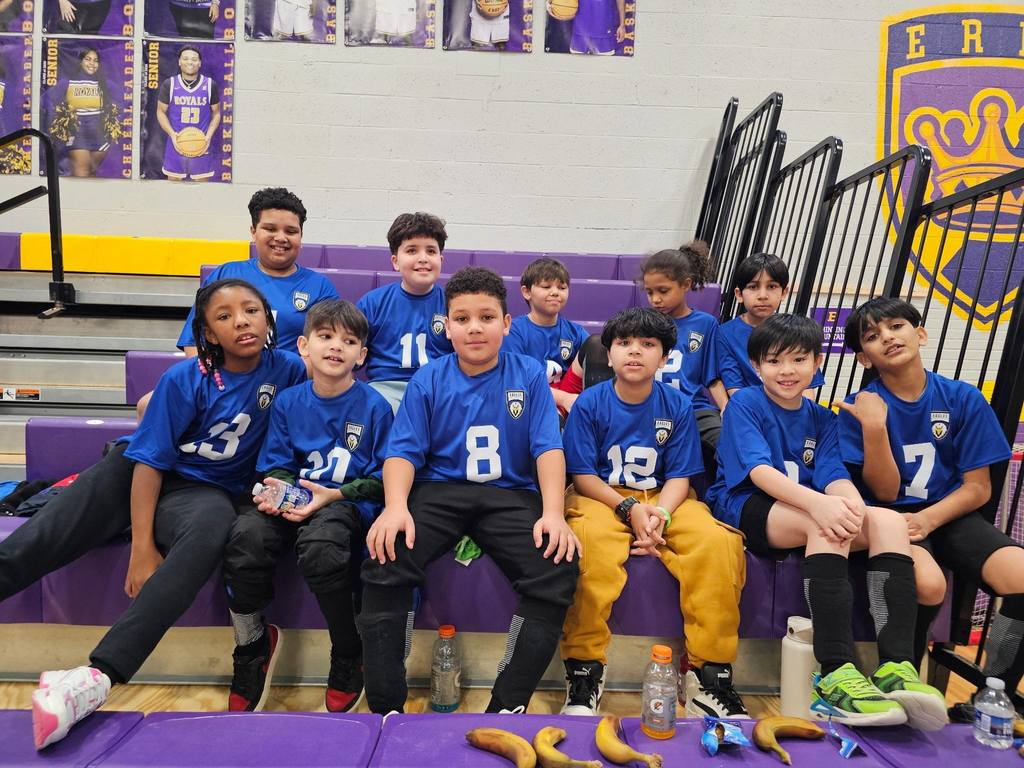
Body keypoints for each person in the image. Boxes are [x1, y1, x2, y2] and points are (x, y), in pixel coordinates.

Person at [1, 279, 306, 749]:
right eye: (224, 316)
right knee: (44, 535)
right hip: (137, 473)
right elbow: (148, 465)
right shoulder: (185, 379)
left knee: (211, 529)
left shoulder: (289, 370)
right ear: (206, 333)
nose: (240, 321)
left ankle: (94, 679)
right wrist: (142, 548)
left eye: (250, 310)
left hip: (203, 492)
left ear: (269, 317)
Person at [707, 313, 947, 730]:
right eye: (774, 361)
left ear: (817, 364)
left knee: (888, 521)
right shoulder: (745, 403)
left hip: (807, 506)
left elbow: (835, 476)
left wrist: (852, 508)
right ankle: (836, 670)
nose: (787, 371)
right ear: (756, 365)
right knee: (825, 526)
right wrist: (822, 508)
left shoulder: (822, 417)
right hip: (747, 505)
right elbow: (761, 474)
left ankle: (896, 665)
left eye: (798, 360)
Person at [356, 266, 579, 715]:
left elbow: (547, 447)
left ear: (506, 323)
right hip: (440, 490)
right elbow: (402, 452)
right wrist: (396, 506)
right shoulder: (429, 377)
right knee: (386, 554)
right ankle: (386, 707)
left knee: (557, 566)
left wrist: (553, 513)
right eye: (461, 318)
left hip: (511, 494)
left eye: (486, 317)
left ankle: (507, 705)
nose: (474, 327)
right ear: (447, 325)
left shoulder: (530, 374)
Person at [837, 297, 1024, 718]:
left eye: (896, 326)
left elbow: (978, 489)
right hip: (892, 520)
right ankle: (903, 678)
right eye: (872, 336)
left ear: (919, 334)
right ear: (864, 358)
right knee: (928, 583)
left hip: (951, 516)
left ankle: (995, 696)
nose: (887, 337)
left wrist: (930, 518)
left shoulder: (963, 398)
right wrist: (874, 426)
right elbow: (883, 494)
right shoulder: (860, 405)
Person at [559, 307, 748, 719]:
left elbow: (681, 476)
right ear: (607, 355)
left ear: (664, 358)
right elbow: (583, 475)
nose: (634, 352)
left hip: (664, 496)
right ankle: (584, 669)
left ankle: (709, 675)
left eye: (648, 345)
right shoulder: (590, 403)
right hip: (603, 496)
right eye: (624, 343)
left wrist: (659, 513)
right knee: (588, 545)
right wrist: (628, 509)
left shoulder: (678, 405)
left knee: (718, 542)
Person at [223, 300, 393, 713]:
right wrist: (281, 494)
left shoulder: (375, 407)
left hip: (346, 503)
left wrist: (336, 495)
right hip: (297, 502)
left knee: (322, 548)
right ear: (304, 345)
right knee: (245, 538)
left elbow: (386, 478)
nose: (336, 347)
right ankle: (252, 646)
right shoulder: (288, 402)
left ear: (362, 355)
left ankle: (348, 650)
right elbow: (276, 466)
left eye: (349, 341)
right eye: (326, 336)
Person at [176, 188, 338, 358]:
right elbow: (194, 343)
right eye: (270, 229)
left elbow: (329, 351)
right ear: (253, 232)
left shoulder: (320, 287)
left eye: (291, 231)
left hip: (291, 381)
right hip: (227, 381)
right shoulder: (225, 275)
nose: (281, 238)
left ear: (301, 236)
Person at [356, 212, 454, 413]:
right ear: (395, 261)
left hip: (438, 388)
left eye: (431, 251)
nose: (423, 259)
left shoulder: (453, 304)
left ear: (441, 259)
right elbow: (352, 355)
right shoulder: (373, 303)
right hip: (385, 389)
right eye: (411, 250)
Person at [641, 243, 726, 472]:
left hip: (694, 408)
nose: (655, 299)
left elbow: (712, 378)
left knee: (729, 444)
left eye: (663, 291)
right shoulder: (643, 323)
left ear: (686, 284)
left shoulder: (705, 324)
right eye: (649, 292)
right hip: (649, 407)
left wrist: (728, 410)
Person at [716, 253, 824, 397]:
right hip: (750, 410)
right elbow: (735, 387)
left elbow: (807, 388)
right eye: (753, 287)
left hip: (792, 410)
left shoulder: (796, 331)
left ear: (784, 292)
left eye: (771, 286)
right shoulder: (725, 333)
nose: (762, 295)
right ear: (739, 294)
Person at [503, 258, 588, 415]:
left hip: (569, 393)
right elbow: (517, 381)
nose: (555, 292)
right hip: (533, 397)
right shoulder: (514, 331)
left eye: (562, 287)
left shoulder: (575, 332)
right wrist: (563, 399)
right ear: (526, 292)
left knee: (596, 345)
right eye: (546, 286)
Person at [50, 48, 119, 178]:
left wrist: (111, 117)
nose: (92, 63)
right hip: (77, 132)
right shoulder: (68, 82)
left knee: (92, 171)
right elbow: (47, 100)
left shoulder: (104, 84)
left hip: (99, 133)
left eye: (96, 60)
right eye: (87, 59)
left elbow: (124, 99)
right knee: (81, 172)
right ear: (80, 62)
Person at [156, 46, 220, 182]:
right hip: (177, 143)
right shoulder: (170, 84)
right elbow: (160, 112)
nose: (189, 62)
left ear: (200, 63)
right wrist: (172, 134)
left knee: (202, 191)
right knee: (172, 190)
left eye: (194, 59)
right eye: (185, 58)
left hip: (201, 144)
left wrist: (208, 136)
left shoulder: (210, 85)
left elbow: (217, 113)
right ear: (179, 62)